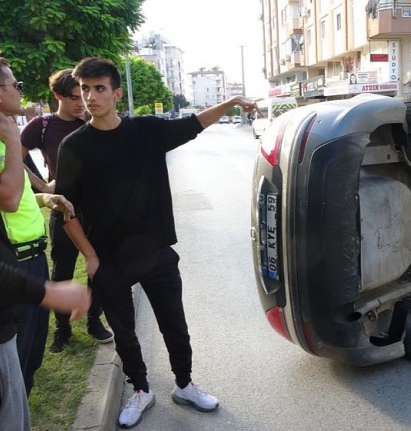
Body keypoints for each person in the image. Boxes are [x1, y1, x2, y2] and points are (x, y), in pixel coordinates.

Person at [55, 57, 258, 429]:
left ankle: (184, 384)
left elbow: (193, 124)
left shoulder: (146, 131)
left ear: (116, 93)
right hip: (109, 259)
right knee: (125, 333)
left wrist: (230, 103)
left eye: (99, 88)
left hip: (156, 252)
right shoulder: (74, 146)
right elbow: (65, 210)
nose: (91, 96)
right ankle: (141, 389)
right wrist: (90, 257)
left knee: (174, 324)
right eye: (85, 89)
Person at [0, 16, 91, 431]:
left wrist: (43, 196)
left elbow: (6, 197)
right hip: (7, 273)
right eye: (13, 83)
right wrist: (12, 142)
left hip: (25, 263)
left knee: (24, 369)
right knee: (4, 382)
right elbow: (4, 197)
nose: (20, 91)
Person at [21, 69, 113, 353]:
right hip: (63, 209)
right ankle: (62, 329)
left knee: (97, 266)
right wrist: (41, 185)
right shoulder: (42, 125)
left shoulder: (95, 121)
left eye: (84, 94)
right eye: (75, 97)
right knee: (62, 269)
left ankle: (94, 321)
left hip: (97, 211)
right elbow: (11, 155)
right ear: (58, 96)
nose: (82, 101)